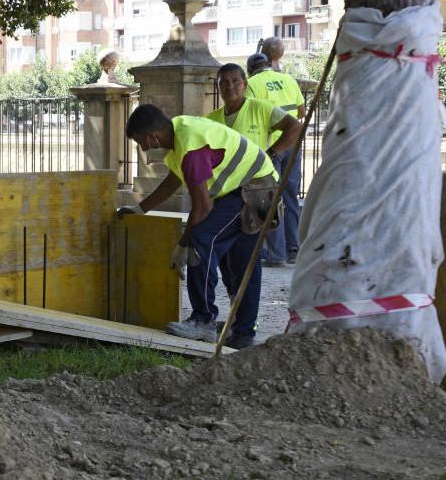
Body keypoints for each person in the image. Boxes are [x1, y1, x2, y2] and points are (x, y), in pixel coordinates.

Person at [119, 104, 277, 349]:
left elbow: (202, 207)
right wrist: (141, 209)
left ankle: (203, 320)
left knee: (200, 243)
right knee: (240, 260)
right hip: (249, 186)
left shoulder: (190, 148)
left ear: (152, 136)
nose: (142, 148)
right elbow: (174, 180)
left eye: (141, 142)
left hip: (253, 191)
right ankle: (243, 333)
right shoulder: (179, 131)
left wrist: (183, 244)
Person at [206, 62, 301, 302]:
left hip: (256, 193)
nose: (230, 86)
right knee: (226, 260)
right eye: (224, 82)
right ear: (218, 87)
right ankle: (236, 314)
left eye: (235, 81)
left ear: (245, 84)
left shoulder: (260, 108)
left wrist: (273, 153)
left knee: (246, 258)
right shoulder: (212, 120)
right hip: (226, 196)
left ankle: (245, 325)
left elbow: (294, 126)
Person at [245, 37, 306, 266]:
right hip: (293, 143)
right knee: (291, 197)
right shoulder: (288, 79)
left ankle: (275, 254)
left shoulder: (252, 85)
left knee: (269, 197)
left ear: (250, 71)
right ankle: (293, 249)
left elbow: (249, 113)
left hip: (271, 148)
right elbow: (301, 111)